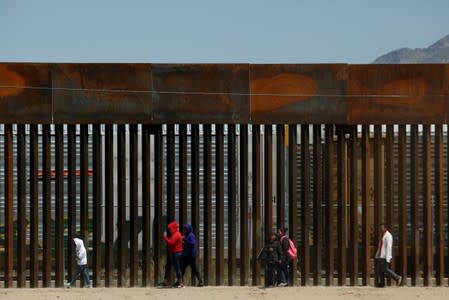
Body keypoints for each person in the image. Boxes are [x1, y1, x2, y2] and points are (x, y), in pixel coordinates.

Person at [375, 223, 402, 287]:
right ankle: (382, 283)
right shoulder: (383, 235)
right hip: (381, 255)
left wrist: (388, 258)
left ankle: (397, 277)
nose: (380, 229)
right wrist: (377, 254)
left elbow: (389, 247)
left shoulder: (388, 236)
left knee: (385, 269)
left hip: (385, 256)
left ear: (385, 228)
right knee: (381, 270)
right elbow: (380, 246)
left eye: (382, 227)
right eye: (380, 227)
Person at [161, 221, 184, 288]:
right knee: (168, 266)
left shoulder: (176, 234)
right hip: (174, 253)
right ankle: (166, 281)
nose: (169, 230)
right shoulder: (175, 234)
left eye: (170, 229)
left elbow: (171, 243)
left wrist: (165, 238)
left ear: (173, 228)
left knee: (177, 268)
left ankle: (180, 282)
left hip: (176, 253)